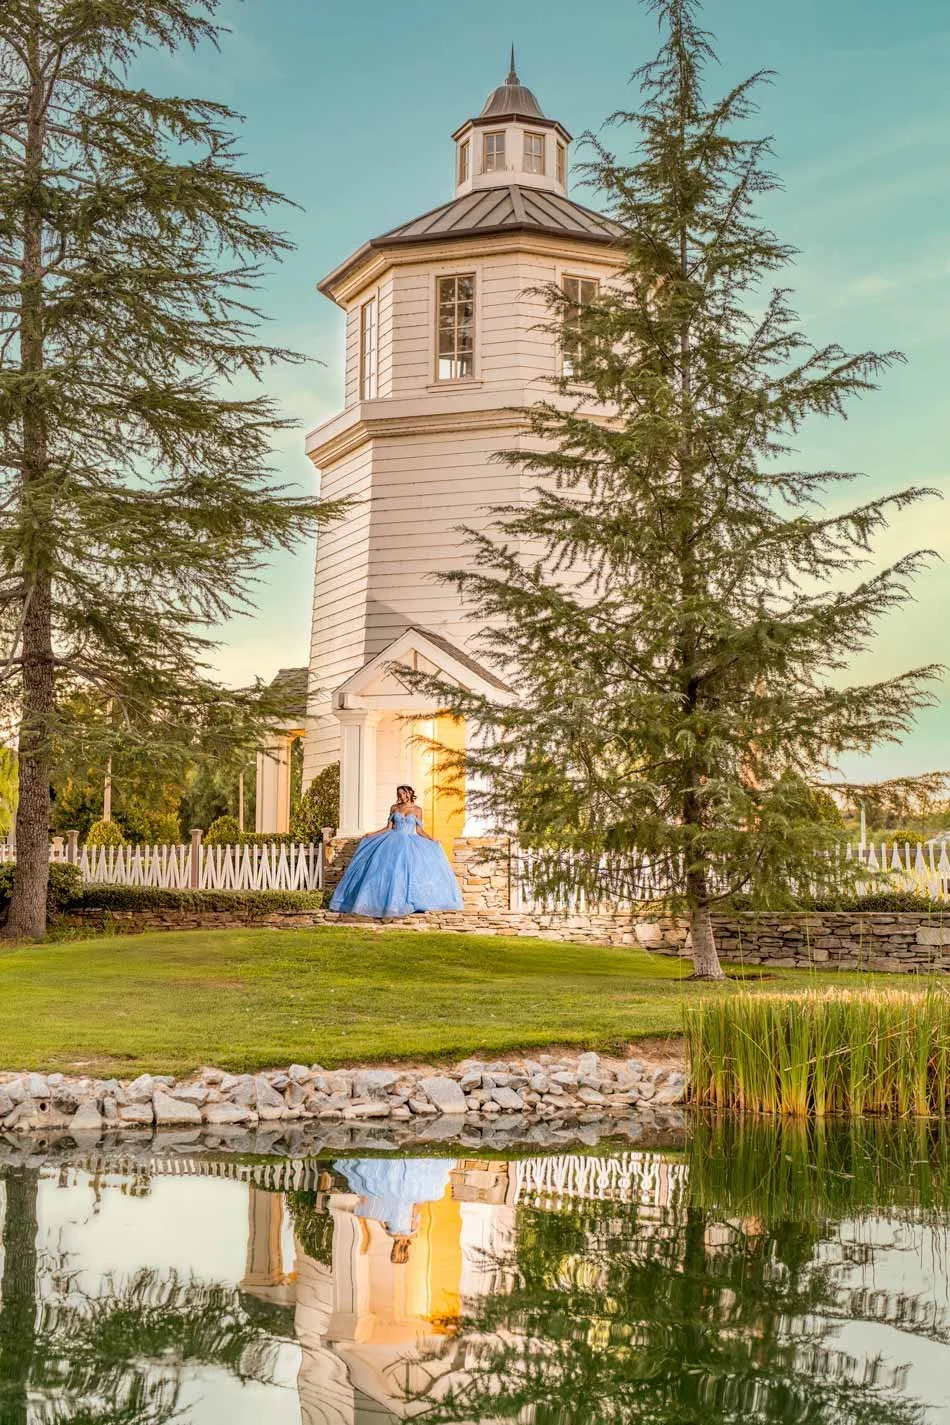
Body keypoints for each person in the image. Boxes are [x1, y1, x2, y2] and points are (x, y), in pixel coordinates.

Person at [328, 784, 464, 918]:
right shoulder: (394, 808)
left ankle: (405, 903)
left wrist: (432, 839)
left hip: (409, 843)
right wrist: (372, 834)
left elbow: (419, 830)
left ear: (410, 793)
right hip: (391, 842)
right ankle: (383, 906)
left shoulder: (417, 810)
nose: (402, 796)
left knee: (406, 873)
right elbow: (388, 828)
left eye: (404, 793)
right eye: (399, 794)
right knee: (385, 873)